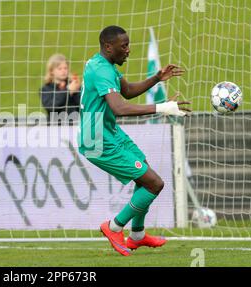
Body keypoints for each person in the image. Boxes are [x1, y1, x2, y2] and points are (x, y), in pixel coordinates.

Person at [78, 26, 191, 256]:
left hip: (109, 133)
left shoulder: (103, 65)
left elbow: (127, 91)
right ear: (109, 47)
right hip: (97, 140)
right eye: (124, 46)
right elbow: (119, 107)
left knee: (146, 177)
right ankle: (114, 227)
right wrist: (162, 107)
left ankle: (137, 235)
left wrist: (157, 78)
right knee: (155, 183)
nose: (128, 50)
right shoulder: (101, 71)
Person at [40, 53, 81, 124]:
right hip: (55, 127)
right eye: (60, 68)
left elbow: (82, 105)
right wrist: (68, 91)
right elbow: (51, 106)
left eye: (65, 68)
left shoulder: (73, 85)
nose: (63, 71)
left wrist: (78, 90)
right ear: (51, 71)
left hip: (74, 125)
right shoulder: (46, 89)